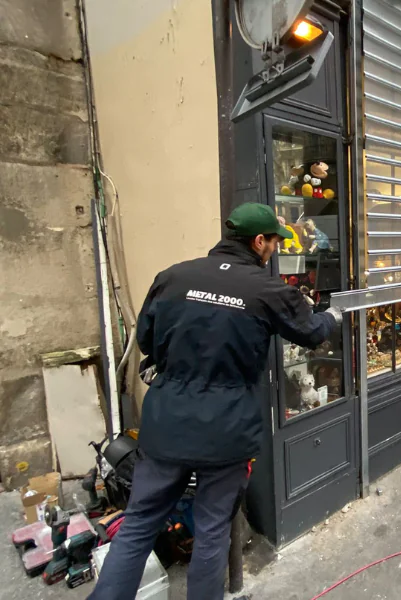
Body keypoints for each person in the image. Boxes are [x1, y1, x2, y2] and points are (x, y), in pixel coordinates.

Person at [89, 203, 342, 600]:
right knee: (211, 533)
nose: (275, 250)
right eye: (274, 242)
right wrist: (333, 315)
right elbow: (310, 332)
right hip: (225, 431)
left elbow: (146, 342)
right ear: (259, 242)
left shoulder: (172, 277)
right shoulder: (267, 290)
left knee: (138, 524)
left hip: (166, 425)